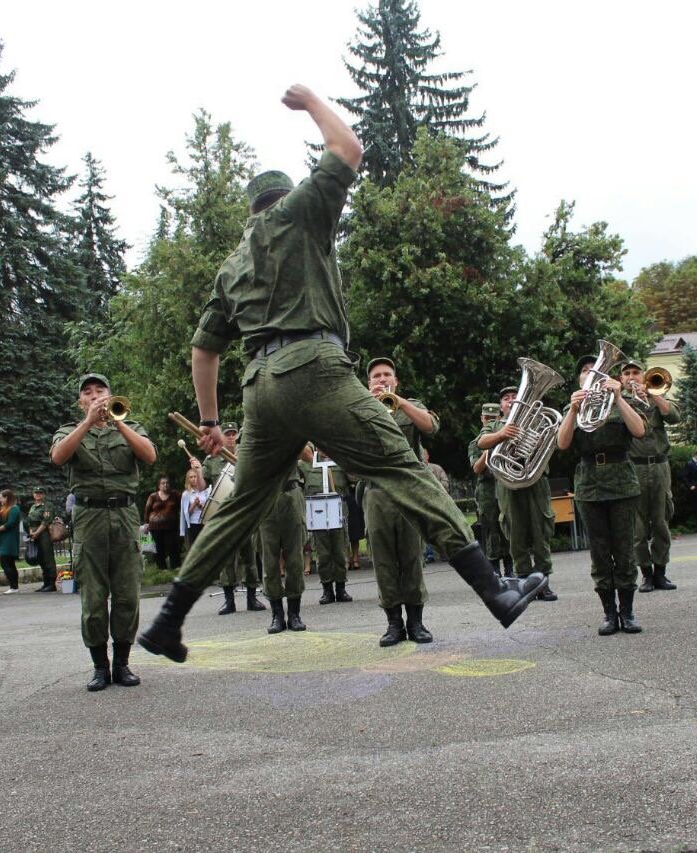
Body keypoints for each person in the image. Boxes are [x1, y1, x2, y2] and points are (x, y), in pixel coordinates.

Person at [137, 84, 542, 664]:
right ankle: (494, 590)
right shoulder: (300, 213)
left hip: (260, 389)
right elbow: (347, 146)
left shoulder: (232, 265)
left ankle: (169, 621)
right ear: (285, 198)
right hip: (313, 366)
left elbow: (203, 352)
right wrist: (308, 103)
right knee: (402, 468)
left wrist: (209, 421)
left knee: (241, 505)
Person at [51, 373, 156, 692]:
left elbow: (149, 455)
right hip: (88, 515)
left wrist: (117, 421)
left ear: (111, 396)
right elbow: (57, 457)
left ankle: (122, 663)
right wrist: (87, 423)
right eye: (88, 393)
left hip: (124, 513)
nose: (95, 396)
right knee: (94, 597)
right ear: (80, 401)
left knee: (127, 593)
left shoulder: (130, 426)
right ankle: (100, 666)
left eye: (100, 391)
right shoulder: (69, 430)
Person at [557, 355, 648, 634]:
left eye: (595, 370)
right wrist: (573, 410)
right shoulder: (572, 406)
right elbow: (562, 444)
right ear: (579, 380)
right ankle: (609, 613)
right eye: (585, 371)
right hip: (589, 483)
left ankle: (628, 612)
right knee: (599, 551)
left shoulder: (619, 402)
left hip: (621, 479)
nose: (591, 374)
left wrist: (619, 397)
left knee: (624, 548)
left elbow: (640, 431)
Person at [363, 356, 437, 646]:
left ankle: (416, 622)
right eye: (376, 376)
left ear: (396, 380)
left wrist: (400, 401)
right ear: (368, 383)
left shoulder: (411, 404)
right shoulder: (359, 407)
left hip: (408, 489)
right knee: (383, 559)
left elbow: (430, 426)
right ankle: (393, 624)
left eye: (387, 375)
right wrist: (366, 405)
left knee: (411, 556)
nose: (382, 380)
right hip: (378, 490)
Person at [477, 384, 557, 599]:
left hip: (536, 481)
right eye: (506, 398)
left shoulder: (538, 421)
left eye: (514, 396)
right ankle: (524, 582)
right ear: (501, 406)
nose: (511, 400)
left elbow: (555, 441)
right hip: (508, 483)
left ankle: (543, 582)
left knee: (540, 530)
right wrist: (502, 434)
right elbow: (482, 442)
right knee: (515, 532)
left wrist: (539, 441)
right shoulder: (494, 424)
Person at [621, 360, 681, 593]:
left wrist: (653, 394)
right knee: (637, 528)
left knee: (661, 522)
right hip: (632, 467)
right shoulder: (619, 402)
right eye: (626, 373)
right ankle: (645, 574)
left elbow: (674, 416)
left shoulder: (656, 395)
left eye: (636, 372)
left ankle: (661, 572)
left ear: (644, 376)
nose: (632, 377)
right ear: (621, 379)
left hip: (658, 466)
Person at [203, 423, 265, 614]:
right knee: (226, 559)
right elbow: (200, 485)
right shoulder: (212, 458)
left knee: (250, 557)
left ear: (237, 436)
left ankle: (252, 598)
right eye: (227, 434)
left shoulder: (247, 455)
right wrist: (197, 470)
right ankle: (229, 601)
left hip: (245, 511)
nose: (230, 437)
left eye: (233, 434)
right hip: (225, 514)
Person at [257, 459, 308, 633]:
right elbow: (242, 458)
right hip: (265, 496)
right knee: (269, 563)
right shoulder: (251, 431)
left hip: (291, 493)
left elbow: (308, 455)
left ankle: (294, 613)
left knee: (295, 560)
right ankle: (277, 615)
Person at [299, 445, 353, 604]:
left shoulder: (341, 461)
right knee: (322, 553)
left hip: (338, 511)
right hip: (318, 514)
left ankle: (341, 588)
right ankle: (327, 589)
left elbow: (355, 479)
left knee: (339, 550)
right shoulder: (306, 465)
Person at [469, 402, 514, 575]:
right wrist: (488, 451)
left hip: (504, 486)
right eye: (486, 418)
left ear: (499, 418)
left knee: (508, 528)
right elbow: (476, 469)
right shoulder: (476, 443)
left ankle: (511, 569)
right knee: (491, 531)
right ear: (481, 419)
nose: (489, 421)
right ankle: (494, 571)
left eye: (493, 418)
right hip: (487, 491)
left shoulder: (506, 438)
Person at [143, 476, 182, 571]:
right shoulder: (153, 496)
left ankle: (176, 566)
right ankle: (162, 568)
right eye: (163, 483)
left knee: (173, 546)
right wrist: (146, 523)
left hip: (171, 526)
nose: (165, 485)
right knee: (158, 548)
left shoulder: (175, 495)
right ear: (159, 486)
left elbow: (182, 507)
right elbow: (147, 510)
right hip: (155, 527)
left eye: (167, 483)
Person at [0, 490, 22, 594]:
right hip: (3, 539)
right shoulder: (4, 509)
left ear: (7, 498)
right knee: (9, 563)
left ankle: (14, 586)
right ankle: (14, 586)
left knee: (6, 562)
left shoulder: (14, 509)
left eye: (1, 497)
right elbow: (0, 521)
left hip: (10, 539)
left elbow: (10, 523)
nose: (0, 499)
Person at [25, 487, 58, 592]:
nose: (38, 495)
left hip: (44, 534)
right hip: (34, 535)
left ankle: (51, 584)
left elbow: (46, 521)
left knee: (47, 558)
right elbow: (30, 521)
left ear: (44, 494)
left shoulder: (47, 505)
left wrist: (37, 533)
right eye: (36, 493)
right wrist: (31, 532)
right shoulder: (33, 507)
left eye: (40, 493)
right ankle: (45, 583)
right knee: (41, 559)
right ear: (33, 494)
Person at [180, 467, 209, 551]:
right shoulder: (186, 494)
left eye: (195, 476)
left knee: (206, 546)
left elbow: (209, 508)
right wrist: (194, 505)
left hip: (205, 522)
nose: (193, 479)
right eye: (191, 477)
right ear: (188, 479)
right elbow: (185, 514)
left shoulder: (205, 491)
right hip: (193, 524)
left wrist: (200, 506)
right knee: (196, 548)